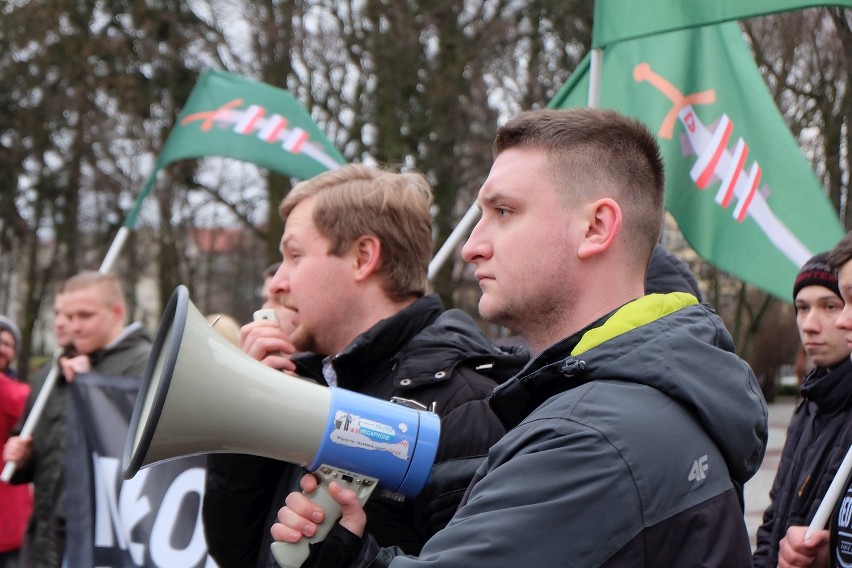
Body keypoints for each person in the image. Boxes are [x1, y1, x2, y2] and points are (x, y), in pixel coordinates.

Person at [272, 108, 768, 567]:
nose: (471, 247)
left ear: (596, 227)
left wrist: (346, 560)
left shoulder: (594, 437)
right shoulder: (639, 401)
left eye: (504, 212)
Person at [202, 164, 528, 567]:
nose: (276, 283)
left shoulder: (463, 403)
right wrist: (244, 422)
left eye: (294, 256)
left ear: (363, 257)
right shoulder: (304, 380)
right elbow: (235, 552)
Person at [3, 272, 151, 567]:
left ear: (116, 313)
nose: (69, 325)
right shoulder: (48, 375)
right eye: (63, 315)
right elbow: (41, 452)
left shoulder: (145, 365)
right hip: (45, 534)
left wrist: (90, 386)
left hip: (103, 540)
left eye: (83, 315)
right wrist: (21, 458)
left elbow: (136, 452)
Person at [753, 252, 852, 567]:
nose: (809, 325)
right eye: (802, 308)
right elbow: (775, 516)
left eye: (830, 306)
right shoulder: (810, 401)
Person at [0, 315, 31, 568]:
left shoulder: (15, 391)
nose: (1, 348)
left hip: (8, 517)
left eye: (7, 343)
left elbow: (23, 404)